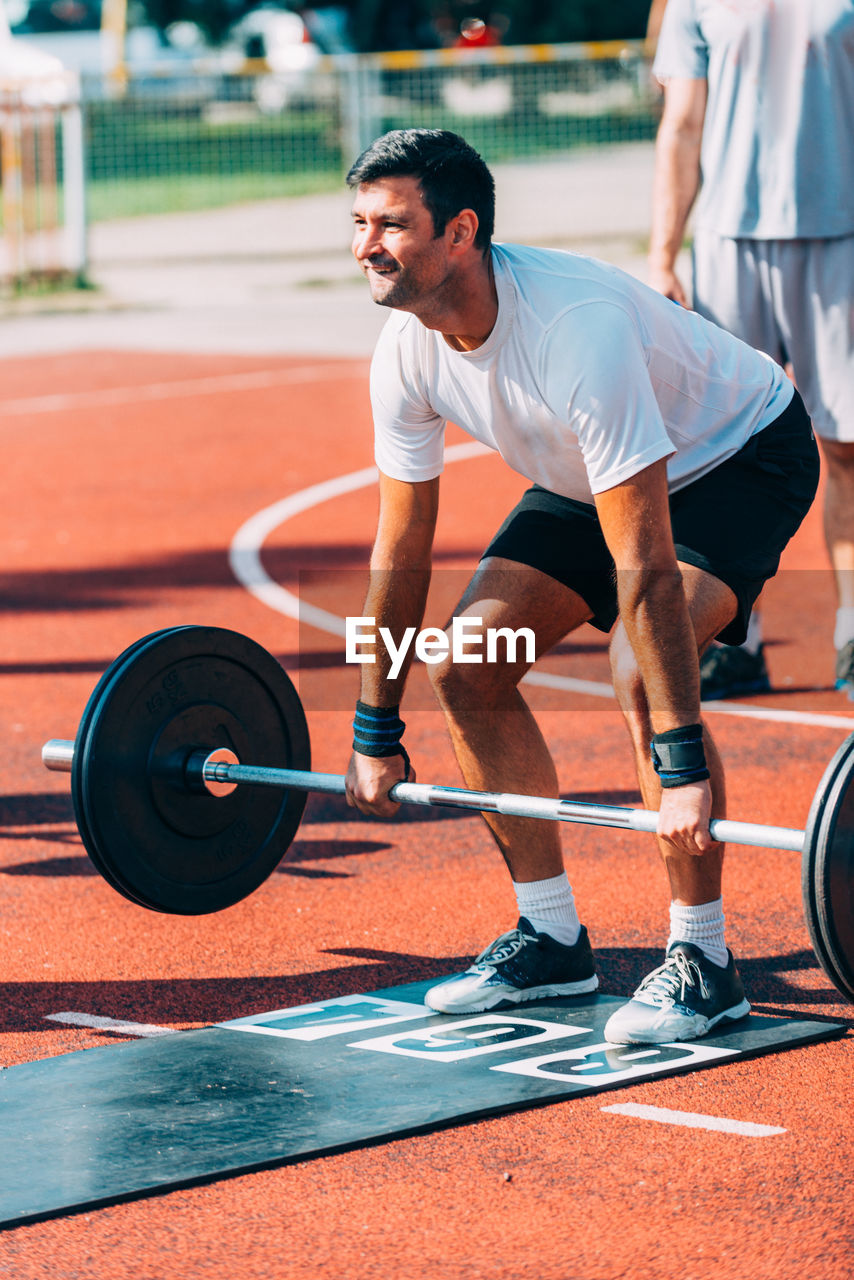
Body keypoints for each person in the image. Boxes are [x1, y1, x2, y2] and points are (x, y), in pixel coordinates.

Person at [342, 128, 819, 1044]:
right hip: (582, 477)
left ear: (460, 234)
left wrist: (680, 775)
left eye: (392, 224)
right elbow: (399, 550)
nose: (367, 246)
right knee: (464, 667)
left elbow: (641, 566)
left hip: (737, 457)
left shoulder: (573, 325)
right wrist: (376, 732)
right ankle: (551, 940)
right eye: (358, 223)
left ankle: (704, 960)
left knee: (642, 665)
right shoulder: (404, 351)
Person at [647, 0, 854, 700]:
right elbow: (681, 126)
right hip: (729, 243)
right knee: (728, 453)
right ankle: (740, 643)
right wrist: (662, 253)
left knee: (848, 448)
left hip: (843, 235)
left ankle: (852, 636)